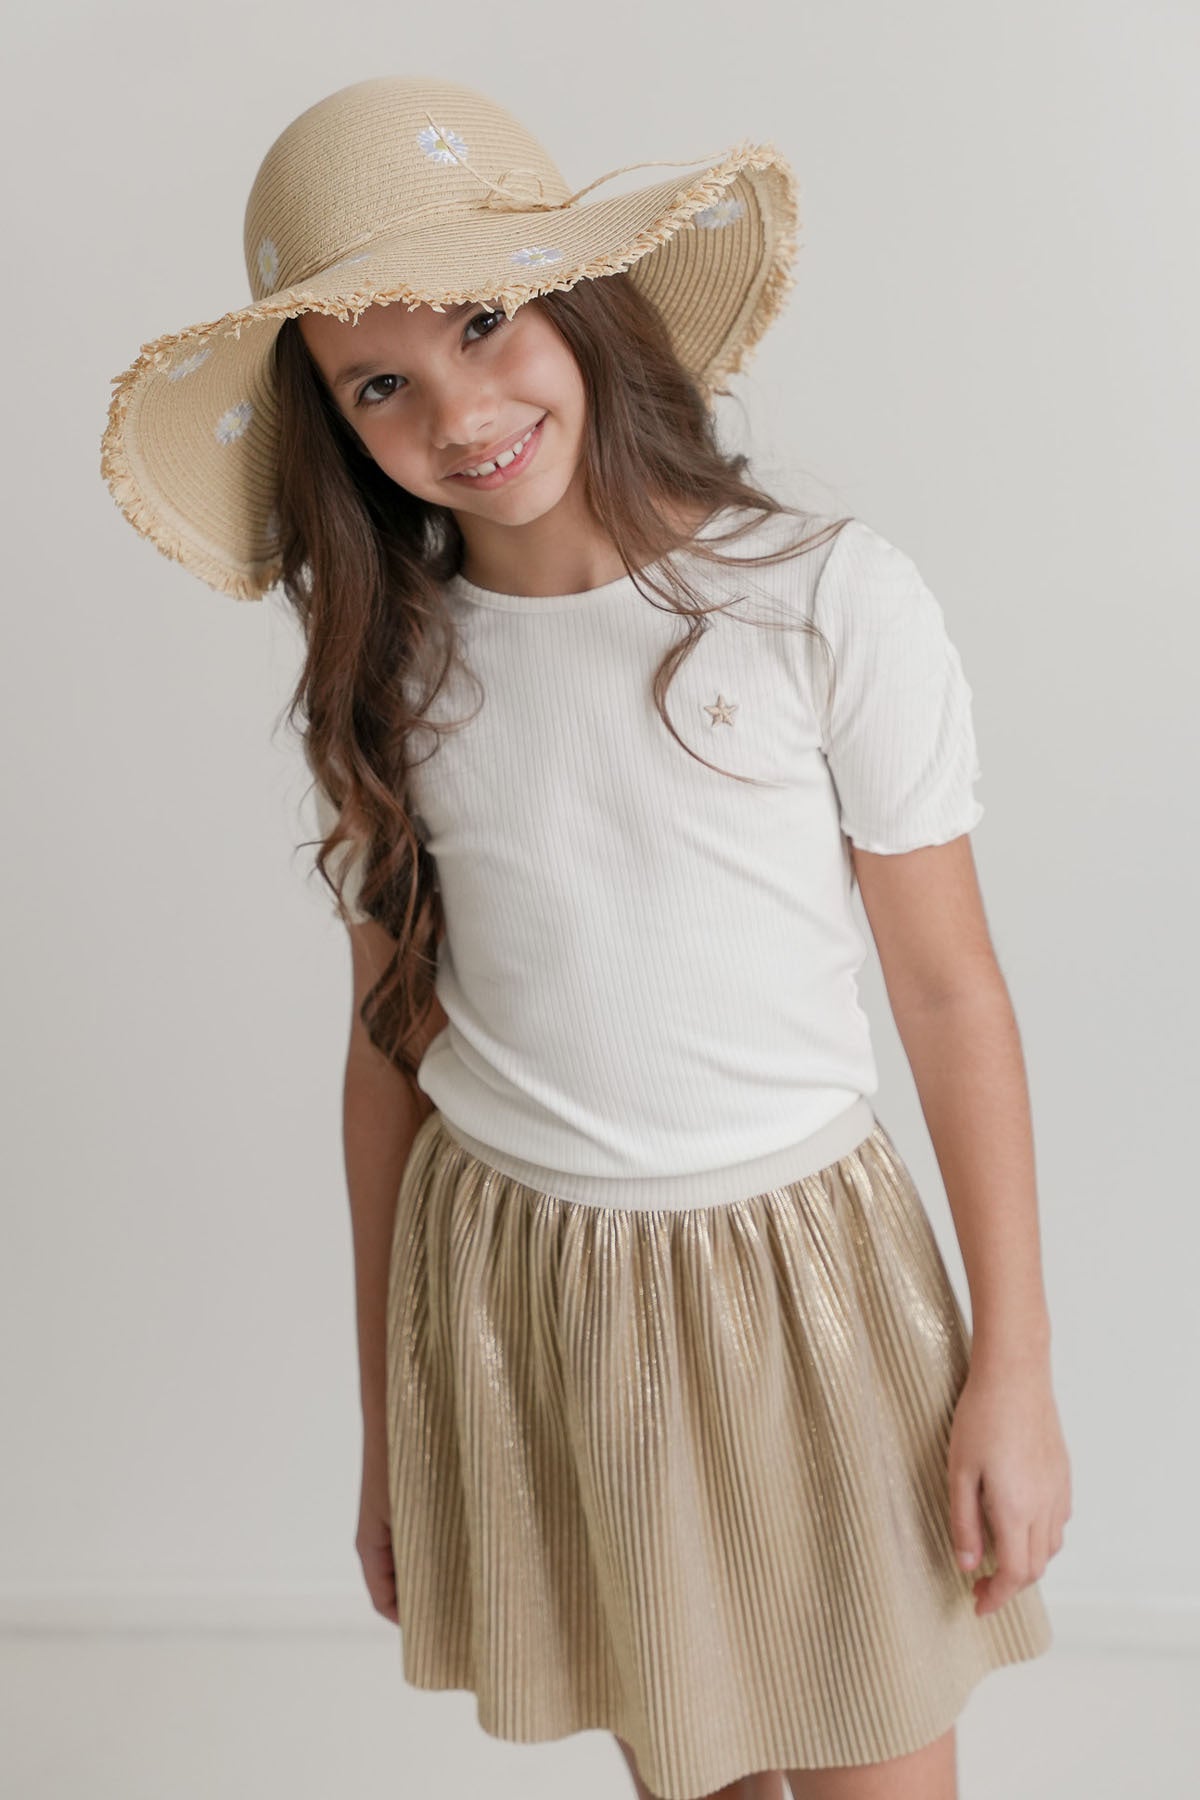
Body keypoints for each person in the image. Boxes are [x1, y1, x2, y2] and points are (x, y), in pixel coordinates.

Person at [100, 73, 1071, 1800]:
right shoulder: (396, 674)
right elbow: (388, 1060)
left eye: (483, 323)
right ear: (334, 426)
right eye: (380, 384)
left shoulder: (820, 602)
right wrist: (389, 1425)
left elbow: (950, 992)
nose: (459, 410)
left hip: (812, 1288)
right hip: (542, 1304)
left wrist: (1016, 1365)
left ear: (577, 298)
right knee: (688, 1773)